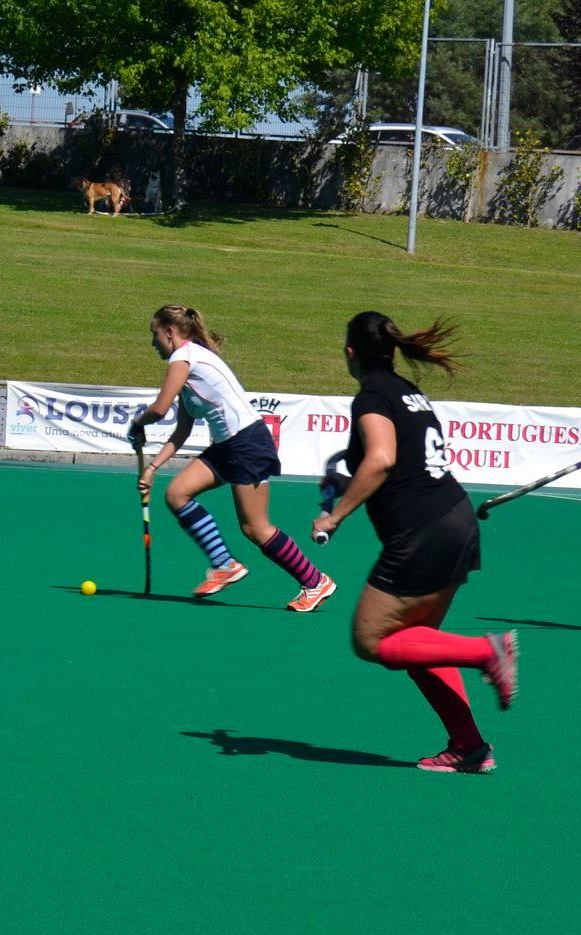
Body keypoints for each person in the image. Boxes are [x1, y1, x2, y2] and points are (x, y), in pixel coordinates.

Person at [311, 311, 517, 774]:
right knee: (418, 642)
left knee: (371, 642)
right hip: (455, 519)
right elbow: (391, 458)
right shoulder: (408, 392)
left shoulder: (370, 397)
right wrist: (344, 473)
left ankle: (487, 651)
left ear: (350, 353)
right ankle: (469, 746)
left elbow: (382, 459)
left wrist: (336, 516)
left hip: (421, 532)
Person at [127, 305, 334, 610]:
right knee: (177, 494)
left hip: (248, 444)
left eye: (154, 335)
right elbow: (181, 432)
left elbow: (158, 408)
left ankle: (315, 582)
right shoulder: (189, 367)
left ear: (169, 333)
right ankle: (224, 564)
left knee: (255, 528)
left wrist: (137, 424)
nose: (152, 343)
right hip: (227, 447)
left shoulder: (183, 357)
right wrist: (152, 469)